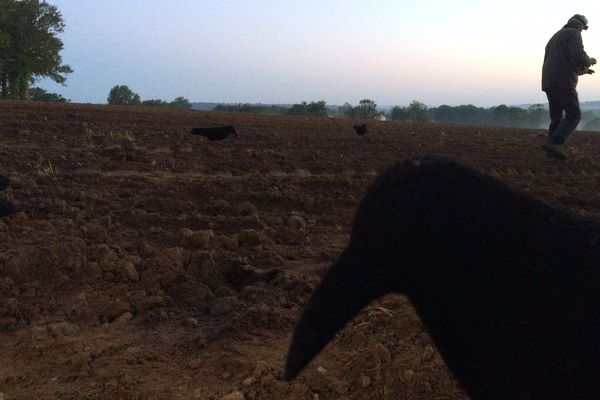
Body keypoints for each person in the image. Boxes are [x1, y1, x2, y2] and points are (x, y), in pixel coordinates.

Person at [541, 14, 596, 159]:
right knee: (574, 115)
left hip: (549, 82)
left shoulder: (555, 37)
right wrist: (590, 61)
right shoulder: (574, 33)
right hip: (563, 83)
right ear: (579, 26)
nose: (582, 31)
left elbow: (564, 62)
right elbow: (578, 57)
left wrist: (583, 71)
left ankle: (551, 154)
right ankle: (555, 142)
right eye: (583, 29)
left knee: (556, 118)